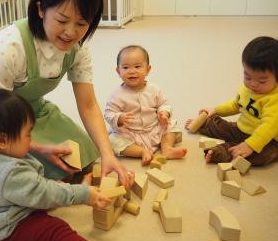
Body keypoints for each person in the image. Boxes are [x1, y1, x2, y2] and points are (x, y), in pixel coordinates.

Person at [0, 0, 133, 188]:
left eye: (81, 23)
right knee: (21, 179)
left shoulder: (78, 49)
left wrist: (107, 152)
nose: (71, 33)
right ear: (41, 9)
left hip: (30, 110)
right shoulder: (8, 47)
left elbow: (88, 105)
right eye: (62, 21)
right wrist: (35, 147)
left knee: (84, 151)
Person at [0, 88, 111, 241]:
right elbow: (45, 192)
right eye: (28, 134)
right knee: (56, 231)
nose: (32, 139)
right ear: (2, 140)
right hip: (8, 228)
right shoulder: (10, 173)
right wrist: (83, 194)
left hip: (2, 211)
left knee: (48, 189)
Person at [186, 36, 278, 165]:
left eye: (262, 81)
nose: (253, 84)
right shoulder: (248, 89)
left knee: (263, 156)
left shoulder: (274, 101)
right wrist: (215, 110)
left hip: (267, 140)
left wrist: (250, 145)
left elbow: (268, 128)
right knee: (221, 125)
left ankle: (222, 152)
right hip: (241, 129)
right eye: (247, 76)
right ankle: (206, 123)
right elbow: (236, 105)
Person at [104, 45, 187, 165]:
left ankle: (167, 148)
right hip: (130, 134)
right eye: (126, 67)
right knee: (112, 140)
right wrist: (119, 118)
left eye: (137, 66)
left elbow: (164, 103)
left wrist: (164, 113)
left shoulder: (154, 89)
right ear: (118, 71)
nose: (132, 71)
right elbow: (108, 113)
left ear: (147, 69)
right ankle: (141, 151)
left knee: (171, 125)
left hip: (153, 128)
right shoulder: (116, 95)